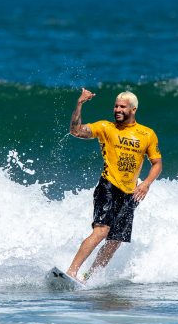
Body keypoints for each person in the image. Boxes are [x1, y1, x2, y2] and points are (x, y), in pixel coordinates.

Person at [66, 88, 162, 282]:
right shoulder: (105, 127)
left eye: (122, 107)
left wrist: (146, 184)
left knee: (115, 241)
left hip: (131, 192)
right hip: (108, 186)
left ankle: (88, 277)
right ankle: (71, 272)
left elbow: (157, 163)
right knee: (101, 231)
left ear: (133, 109)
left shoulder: (147, 134)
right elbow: (75, 131)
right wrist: (79, 104)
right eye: (116, 106)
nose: (117, 109)